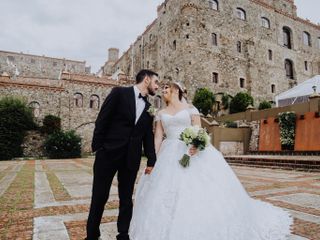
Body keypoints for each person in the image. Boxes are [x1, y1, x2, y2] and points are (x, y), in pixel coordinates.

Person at [129, 82, 293, 240]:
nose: (163, 90)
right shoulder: (160, 113)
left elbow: (199, 131)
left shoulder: (191, 109)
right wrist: (153, 159)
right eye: (162, 88)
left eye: (167, 87)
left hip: (190, 151)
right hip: (168, 152)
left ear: (177, 90)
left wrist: (196, 145)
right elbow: (158, 137)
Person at [86, 69, 159, 240]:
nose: (157, 86)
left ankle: (123, 233)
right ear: (146, 80)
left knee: (126, 199)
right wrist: (98, 148)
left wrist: (151, 159)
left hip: (131, 158)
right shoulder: (119, 93)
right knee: (99, 197)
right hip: (108, 155)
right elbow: (102, 120)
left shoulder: (149, 108)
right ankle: (92, 235)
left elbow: (147, 135)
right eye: (156, 82)